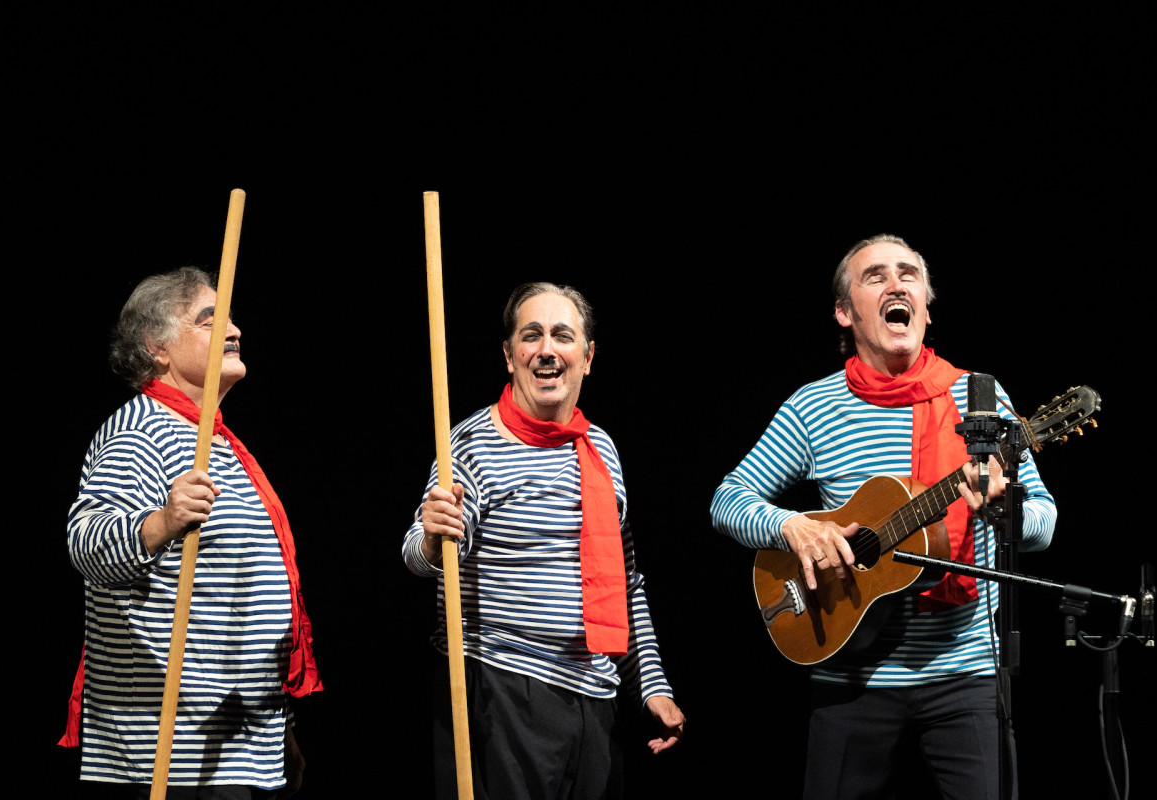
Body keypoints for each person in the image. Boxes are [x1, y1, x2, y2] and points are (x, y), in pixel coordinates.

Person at [710, 235, 1056, 798]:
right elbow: (728, 499)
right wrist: (792, 526)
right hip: (849, 672)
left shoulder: (981, 399)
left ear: (926, 306)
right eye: (876, 277)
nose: (896, 285)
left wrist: (1004, 509)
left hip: (965, 675)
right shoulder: (813, 406)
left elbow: (1044, 519)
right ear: (844, 312)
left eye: (908, 275)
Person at [403, 282, 685, 798]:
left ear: (588, 357)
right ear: (509, 356)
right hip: (502, 689)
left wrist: (652, 684)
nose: (546, 349)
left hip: (595, 696)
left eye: (562, 336)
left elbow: (625, 582)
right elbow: (421, 552)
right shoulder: (471, 445)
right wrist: (431, 538)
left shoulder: (601, 448)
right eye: (531, 336)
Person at [61, 267, 322, 798]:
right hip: (170, 751)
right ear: (157, 347)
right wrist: (162, 522)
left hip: (242, 744)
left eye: (231, 318)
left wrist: (282, 731)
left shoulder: (217, 442)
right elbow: (86, 544)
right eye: (210, 319)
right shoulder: (140, 430)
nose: (234, 329)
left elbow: (241, 598)